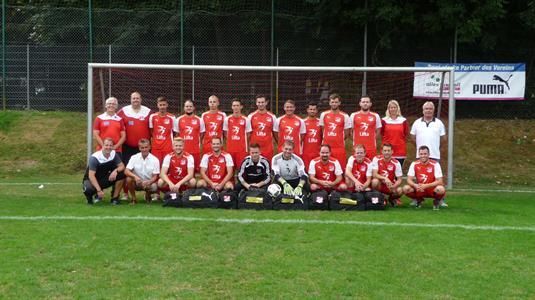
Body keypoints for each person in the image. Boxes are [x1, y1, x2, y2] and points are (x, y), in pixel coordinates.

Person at [410, 101, 447, 207]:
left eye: (430, 109)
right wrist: (420, 150)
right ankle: (417, 199)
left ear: (433, 110)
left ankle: (440, 199)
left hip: (434, 155)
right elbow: (412, 138)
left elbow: (443, 139)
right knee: (419, 178)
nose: (428, 111)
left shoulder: (439, 123)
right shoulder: (417, 123)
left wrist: (435, 148)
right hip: (420, 155)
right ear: (423, 110)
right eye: (426, 109)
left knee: (437, 179)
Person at [82, 137, 125, 205]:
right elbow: (91, 176)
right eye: (106, 145)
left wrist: (115, 171)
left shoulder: (113, 154)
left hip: (103, 179)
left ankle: (114, 199)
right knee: (88, 189)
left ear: (113, 146)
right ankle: (90, 200)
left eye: (110, 145)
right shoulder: (94, 158)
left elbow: (122, 166)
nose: (108, 147)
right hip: (91, 180)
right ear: (102, 145)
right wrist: (99, 190)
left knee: (122, 174)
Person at [403, 145, 446, 210]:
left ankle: (436, 201)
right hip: (420, 189)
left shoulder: (435, 164)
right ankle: (419, 200)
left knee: (441, 189)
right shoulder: (414, 164)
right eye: (421, 154)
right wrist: (415, 185)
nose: (423, 156)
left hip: (432, 189)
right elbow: (409, 179)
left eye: (425, 154)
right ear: (418, 155)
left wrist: (426, 185)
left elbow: (440, 181)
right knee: (405, 188)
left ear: (429, 154)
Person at [117, 91, 151, 166]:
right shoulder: (123, 111)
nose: (135, 100)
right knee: (128, 168)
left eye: (137, 98)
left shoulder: (148, 111)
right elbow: (116, 124)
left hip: (144, 147)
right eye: (134, 98)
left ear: (141, 100)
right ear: (131, 100)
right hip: (128, 147)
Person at [319, 93, 351, 168]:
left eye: (336, 102)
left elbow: (346, 133)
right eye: (332, 102)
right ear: (329, 103)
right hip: (326, 146)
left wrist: (338, 139)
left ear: (339, 103)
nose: (334, 104)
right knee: (326, 167)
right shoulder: (324, 114)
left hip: (339, 147)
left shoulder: (345, 116)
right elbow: (322, 130)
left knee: (340, 167)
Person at [124, 139, 160, 204]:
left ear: (150, 147)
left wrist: (149, 182)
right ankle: (134, 199)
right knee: (128, 179)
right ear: (139, 148)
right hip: (137, 182)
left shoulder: (155, 160)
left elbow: (155, 176)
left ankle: (148, 195)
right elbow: (126, 171)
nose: (144, 149)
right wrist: (135, 177)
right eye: (142, 148)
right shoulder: (134, 157)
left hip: (148, 183)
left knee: (154, 187)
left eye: (146, 147)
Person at [176, 99, 205, 172]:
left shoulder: (199, 120)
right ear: (184, 108)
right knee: (182, 170)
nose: (188, 108)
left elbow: (202, 134)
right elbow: (177, 134)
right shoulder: (179, 119)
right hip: (183, 151)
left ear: (193, 108)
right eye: (187, 106)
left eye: (190, 106)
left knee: (196, 171)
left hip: (195, 151)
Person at [248, 94, 278, 161]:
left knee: (267, 167)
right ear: (256, 103)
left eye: (262, 102)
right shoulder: (251, 116)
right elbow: (248, 133)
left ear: (266, 103)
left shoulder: (272, 117)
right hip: (255, 148)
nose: (260, 104)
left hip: (268, 148)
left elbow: (275, 133)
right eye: (259, 102)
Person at [148, 96, 177, 166]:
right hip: (156, 147)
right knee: (156, 166)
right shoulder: (152, 117)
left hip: (168, 147)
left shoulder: (172, 117)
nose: (162, 107)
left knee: (167, 167)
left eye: (164, 105)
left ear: (167, 105)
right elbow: (151, 131)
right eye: (160, 105)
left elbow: (175, 132)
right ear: (157, 105)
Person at [381, 99, 409, 167]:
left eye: (394, 107)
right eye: (391, 107)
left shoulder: (403, 120)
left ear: (397, 108)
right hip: (387, 150)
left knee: (398, 173)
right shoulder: (384, 120)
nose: (393, 109)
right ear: (388, 109)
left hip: (400, 150)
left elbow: (406, 133)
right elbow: (382, 133)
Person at [223, 98, 251, 168]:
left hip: (242, 149)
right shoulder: (227, 119)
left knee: (242, 168)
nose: (235, 107)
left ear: (241, 107)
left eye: (237, 105)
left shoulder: (246, 119)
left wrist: (240, 140)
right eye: (234, 105)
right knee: (230, 168)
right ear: (232, 107)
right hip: (230, 148)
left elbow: (248, 134)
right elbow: (225, 133)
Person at [302, 102, 322, 170]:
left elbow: (323, 136)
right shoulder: (302, 122)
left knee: (317, 171)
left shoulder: (320, 122)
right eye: (310, 109)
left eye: (314, 109)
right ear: (307, 110)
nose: (312, 111)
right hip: (306, 152)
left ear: (317, 111)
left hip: (317, 152)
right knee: (306, 171)